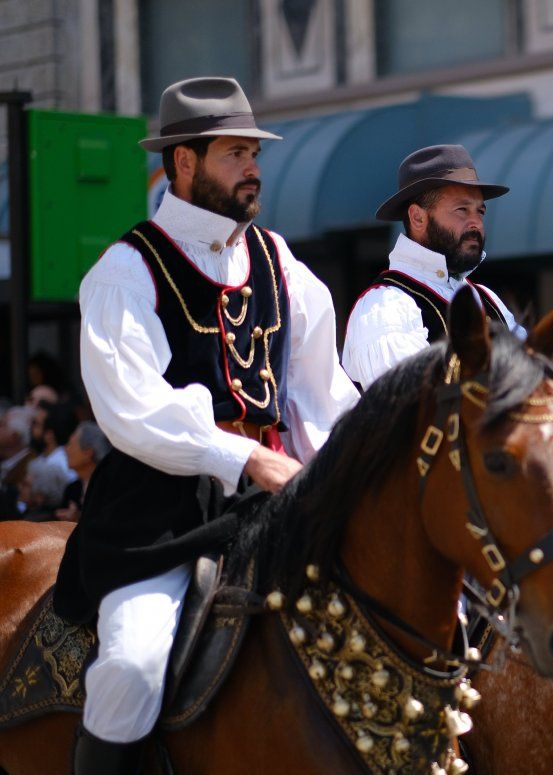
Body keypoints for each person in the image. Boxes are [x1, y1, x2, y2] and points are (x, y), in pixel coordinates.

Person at [52, 76, 358, 773]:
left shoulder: (287, 266)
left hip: (277, 499)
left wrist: (356, 473)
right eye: (233, 152)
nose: (252, 167)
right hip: (160, 512)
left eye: (254, 151)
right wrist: (245, 459)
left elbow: (323, 401)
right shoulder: (124, 271)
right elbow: (134, 408)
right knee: (132, 665)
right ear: (183, 163)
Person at [343, 144, 522, 390]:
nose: (475, 224)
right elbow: (414, 409)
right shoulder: (385, 305)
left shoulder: (488, 299)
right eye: (462, 210)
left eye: (480, 211)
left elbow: (531, 385)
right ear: (417, 217)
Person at [56, 421, 112, 522]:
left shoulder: (110, 488)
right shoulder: (72, 489)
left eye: (70, 444)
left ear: (88, 453)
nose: (65, 450)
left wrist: (79, 519)